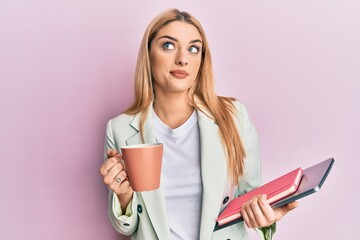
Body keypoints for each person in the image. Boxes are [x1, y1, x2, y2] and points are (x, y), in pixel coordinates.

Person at [99, 9, 298, 240]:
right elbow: (127, 226)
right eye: (168, 45)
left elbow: (250, 196)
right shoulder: (119, 129)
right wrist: (123, 196)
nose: (183, 58)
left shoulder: (234, 116)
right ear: (148, 53)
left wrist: (264, 216)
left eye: (194, 49)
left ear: (202, 60)